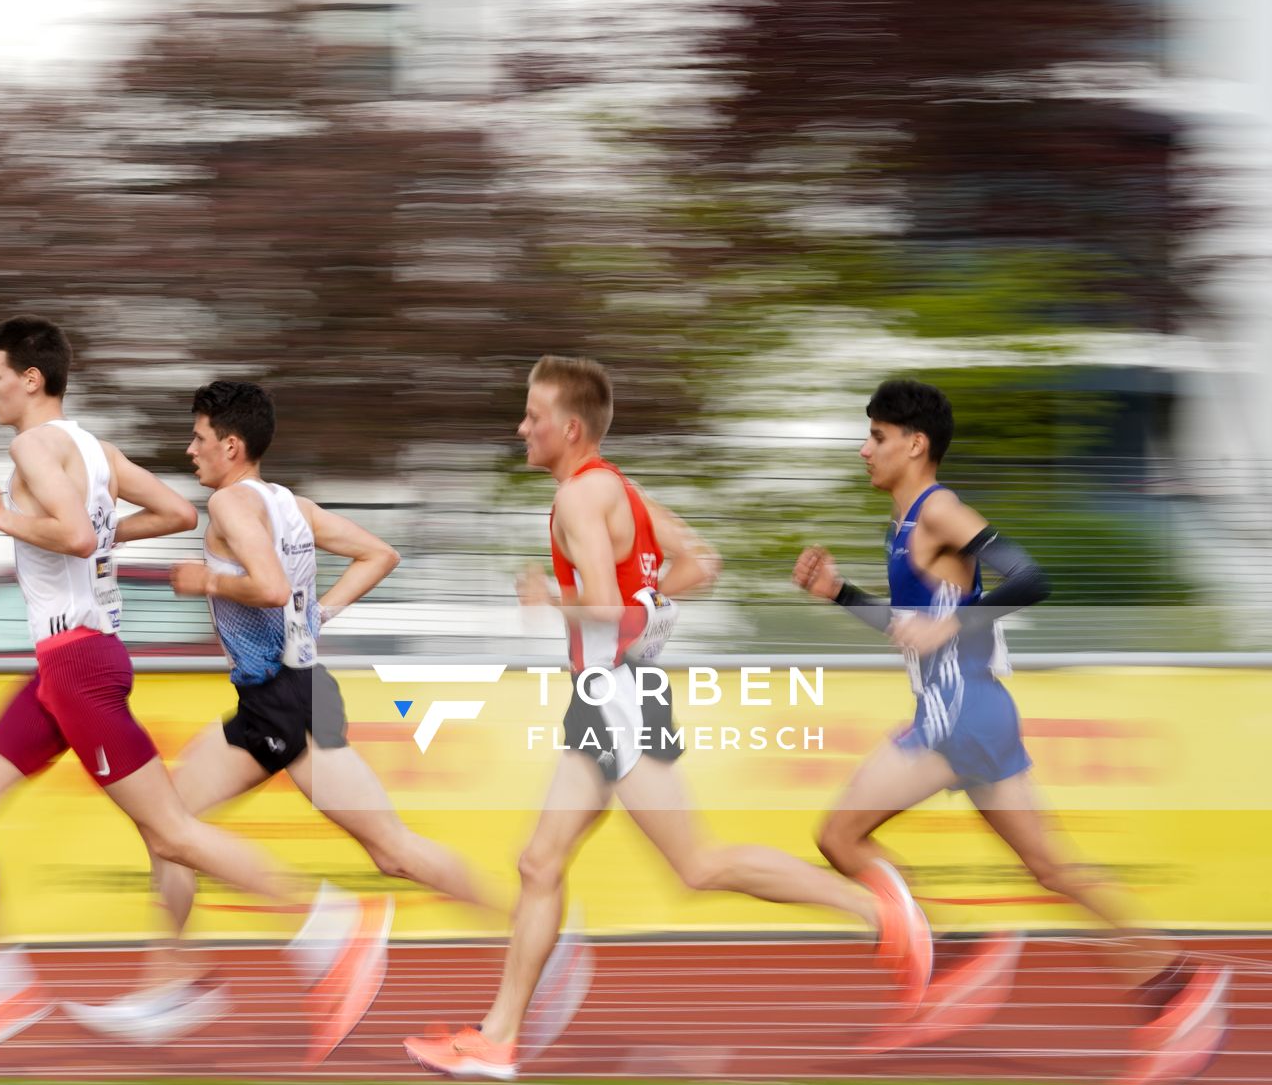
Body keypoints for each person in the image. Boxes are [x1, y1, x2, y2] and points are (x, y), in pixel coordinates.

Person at [0, 320, 381, 1059]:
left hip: (79, 666)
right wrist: (92, 534)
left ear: (32, 379)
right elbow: (173, 513)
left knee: (170, 830)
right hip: (64, 666)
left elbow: (75, 536)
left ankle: (331, 924)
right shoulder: (91, 449)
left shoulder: (34, 447)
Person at [404, 356, 926, 1081]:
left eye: (533, 415)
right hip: (612, 693)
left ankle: (879, 914)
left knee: (697, 863)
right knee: (539, 861)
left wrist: (550, 597)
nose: (521, 426)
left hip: (618, 696)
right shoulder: (621, 489)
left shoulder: (580, 502)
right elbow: (700, 563)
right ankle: (497, 1039)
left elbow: (609, 607)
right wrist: (641, 610)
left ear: (570, 426)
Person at [793, 377, 1228, 1071]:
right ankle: (1176, 980)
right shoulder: (905, 526)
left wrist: (952, 625)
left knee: (838, 835)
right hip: (979, 711)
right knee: (1054, 867)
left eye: (875, 436)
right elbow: (913, 631)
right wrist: (841, 593)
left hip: (955, 716)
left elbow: (1028, 575)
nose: (863, 450)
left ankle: (958, 954)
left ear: (915, 443)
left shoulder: (939, 510)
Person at [64, 381, 495, 1057]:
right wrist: (319, 613)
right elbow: (380, 554)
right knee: (379, 848)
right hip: (294, 693)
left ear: (231, 446)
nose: (190, 450)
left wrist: (204, 580)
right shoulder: (290, 504)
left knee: (175, 825)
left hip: (280, 702)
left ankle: (340, 938)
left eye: (199, 438)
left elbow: (265, 585)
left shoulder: (233, 502)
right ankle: (167, 981)